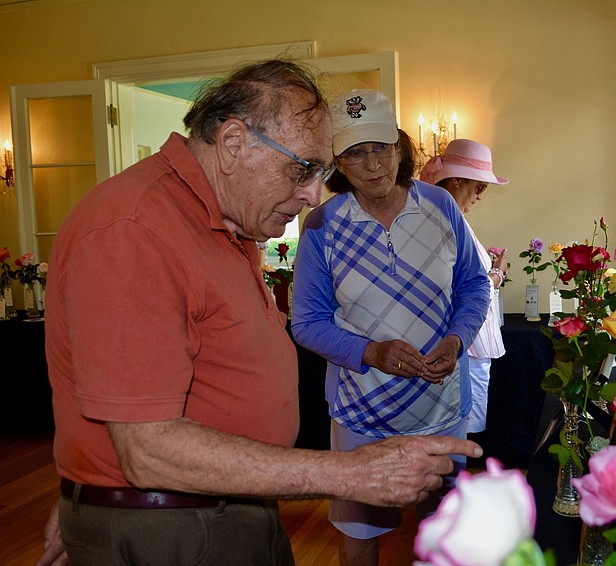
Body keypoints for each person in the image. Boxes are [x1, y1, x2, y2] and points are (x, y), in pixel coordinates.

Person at [36, 61, 481, 566]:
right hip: (175, 520)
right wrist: (349, 473)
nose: (312, 195)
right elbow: (147, 448)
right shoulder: (135, 227)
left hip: (223, 505)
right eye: (303, 168)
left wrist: (92, 490)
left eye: (320, 173)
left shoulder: (226, 220)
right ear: (233, 144)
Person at [290, 89, 490, 566]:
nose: (373, 164)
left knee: (445, 528)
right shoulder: (321, 225)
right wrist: (371, 352)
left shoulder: (441, 206)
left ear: (400, 147)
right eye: (355, 152)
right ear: (337, 163)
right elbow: (307, 322)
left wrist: (457, 338)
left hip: (441, 407)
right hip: (361, 412)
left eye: (381, 147)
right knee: (359, 529)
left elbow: (474, 285)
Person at [420, 139, 510, 434]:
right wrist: (496, 274)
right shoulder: (446, 219)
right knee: (461, 430)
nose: (480, 196)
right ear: (457, 180)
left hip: (467, 342)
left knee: (460, 429)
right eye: (479, 187)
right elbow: (458, 287)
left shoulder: (447, 218)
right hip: (464, 344)